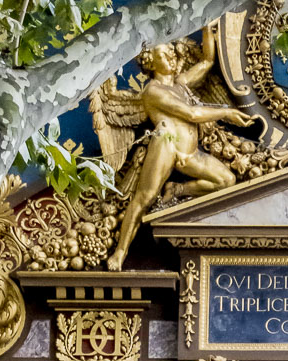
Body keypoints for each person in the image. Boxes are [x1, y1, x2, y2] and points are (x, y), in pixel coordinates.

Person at [105, 27, 256, 270]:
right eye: (163, 55)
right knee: (144, 197)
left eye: (171, 53)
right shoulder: (152, 91)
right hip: (167, 147)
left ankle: (177, 188)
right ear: (150, 62)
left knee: (227, 180)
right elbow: (191, 113)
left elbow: (207, 61)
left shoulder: (180, 84)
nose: (170, 58)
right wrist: (227, 112)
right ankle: (120, 251)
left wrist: (207, 27)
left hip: (191, 153)